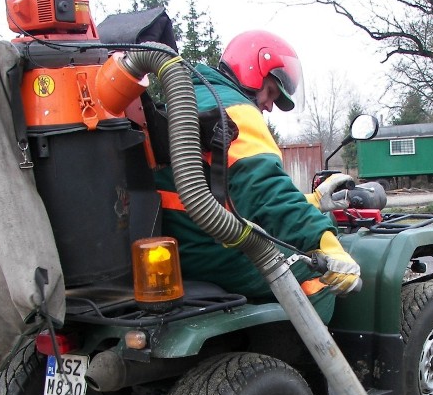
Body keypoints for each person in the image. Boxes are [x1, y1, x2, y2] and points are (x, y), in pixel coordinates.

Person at [154, 30, 360, 322]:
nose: (269, 105)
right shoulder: (236, 109)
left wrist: (312, 201)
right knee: (322, 275)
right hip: (213, 250)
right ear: (251, 71)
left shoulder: (188, 98)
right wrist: (326, 241)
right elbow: (264, 192)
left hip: (179, 242)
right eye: (271, 92)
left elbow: (232, 192)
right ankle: (315, 365)